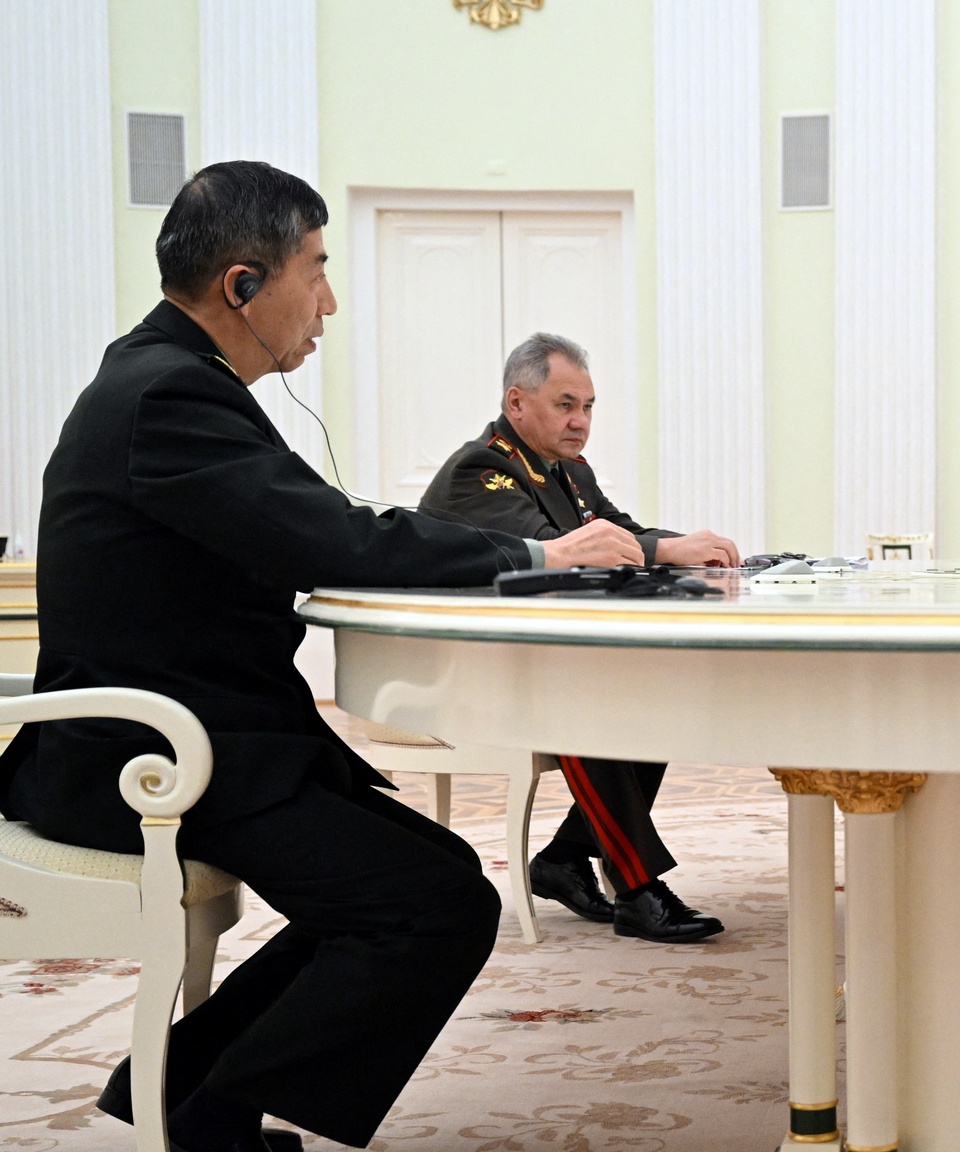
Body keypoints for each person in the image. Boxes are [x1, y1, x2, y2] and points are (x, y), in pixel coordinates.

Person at [0, 161, 645, 1152]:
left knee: (432, 876)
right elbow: (335, 538)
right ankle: (205, 1117)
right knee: (430, 908)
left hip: (202, 736)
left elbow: (320, 524)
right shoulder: (169, 392)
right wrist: (536, 556)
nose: (329, 303)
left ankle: (176, 1084)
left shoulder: (168, 376)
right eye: (317, 269)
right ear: (243, 285)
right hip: (155, 759)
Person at [419, 332, 736, 944]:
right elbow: (560, 555)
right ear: (516, 403)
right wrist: (665, 551)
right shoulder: (482, 470)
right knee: (589, 700)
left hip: (536, 660)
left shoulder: (570, 470)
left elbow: (621, 532)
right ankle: (637, 890)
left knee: (651, 694)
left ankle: (564, 860)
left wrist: (689, 547)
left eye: (588, 407)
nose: (581, 421)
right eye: (565, 405)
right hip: (464, 672)